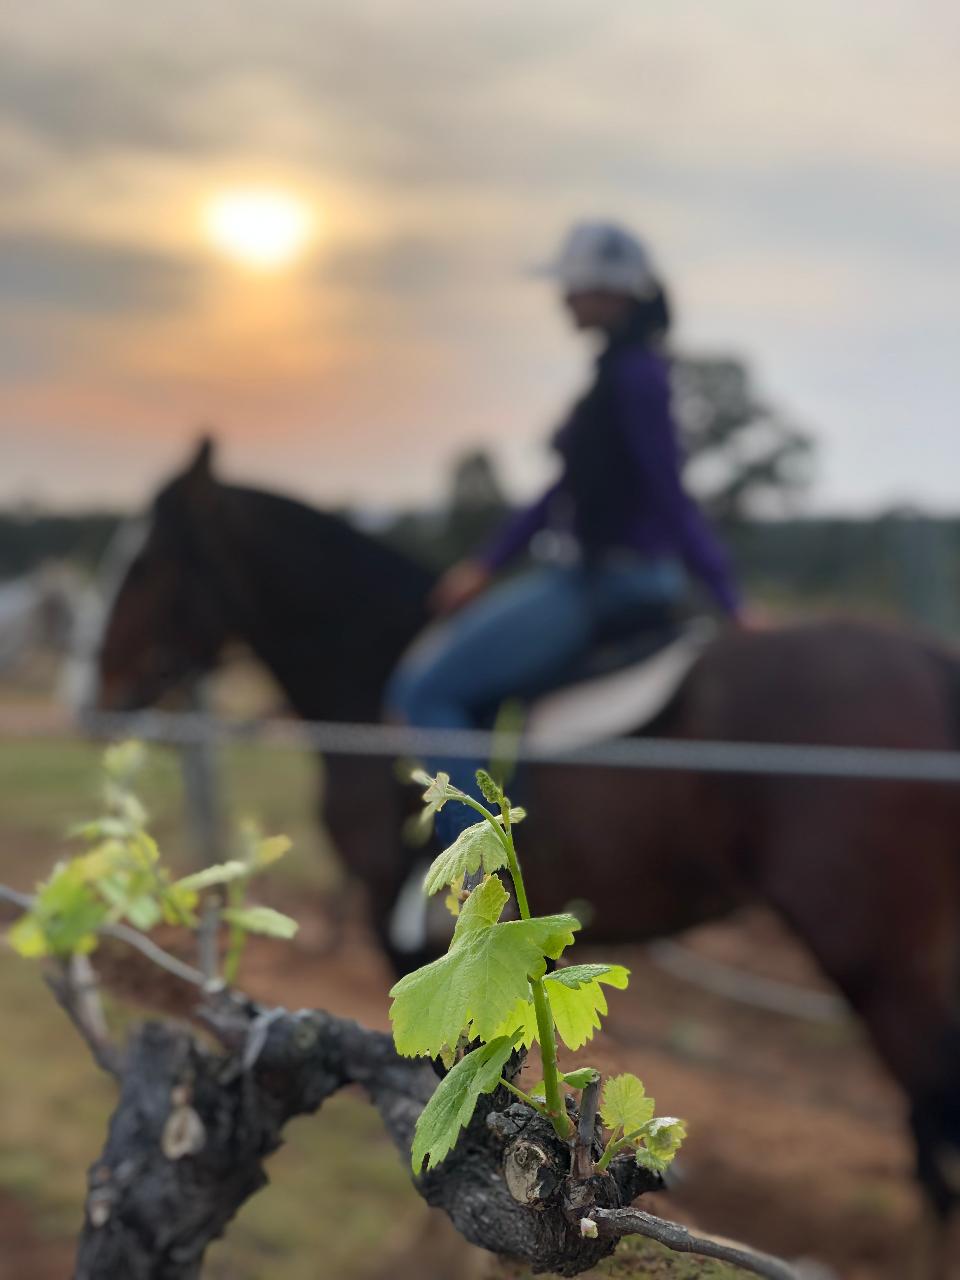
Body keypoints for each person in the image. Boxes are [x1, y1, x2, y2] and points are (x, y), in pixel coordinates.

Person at [387, 220, 742, 839]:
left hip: (607, 581)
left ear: (609, 292)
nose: (563, 299)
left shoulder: (633, 379)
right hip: (607, 573)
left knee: (424, 692)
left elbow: (668, 492)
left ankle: (483, 884)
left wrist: (731, 598)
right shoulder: (618, 373)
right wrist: (486, 564)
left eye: (573, 286)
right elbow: (564, 489)